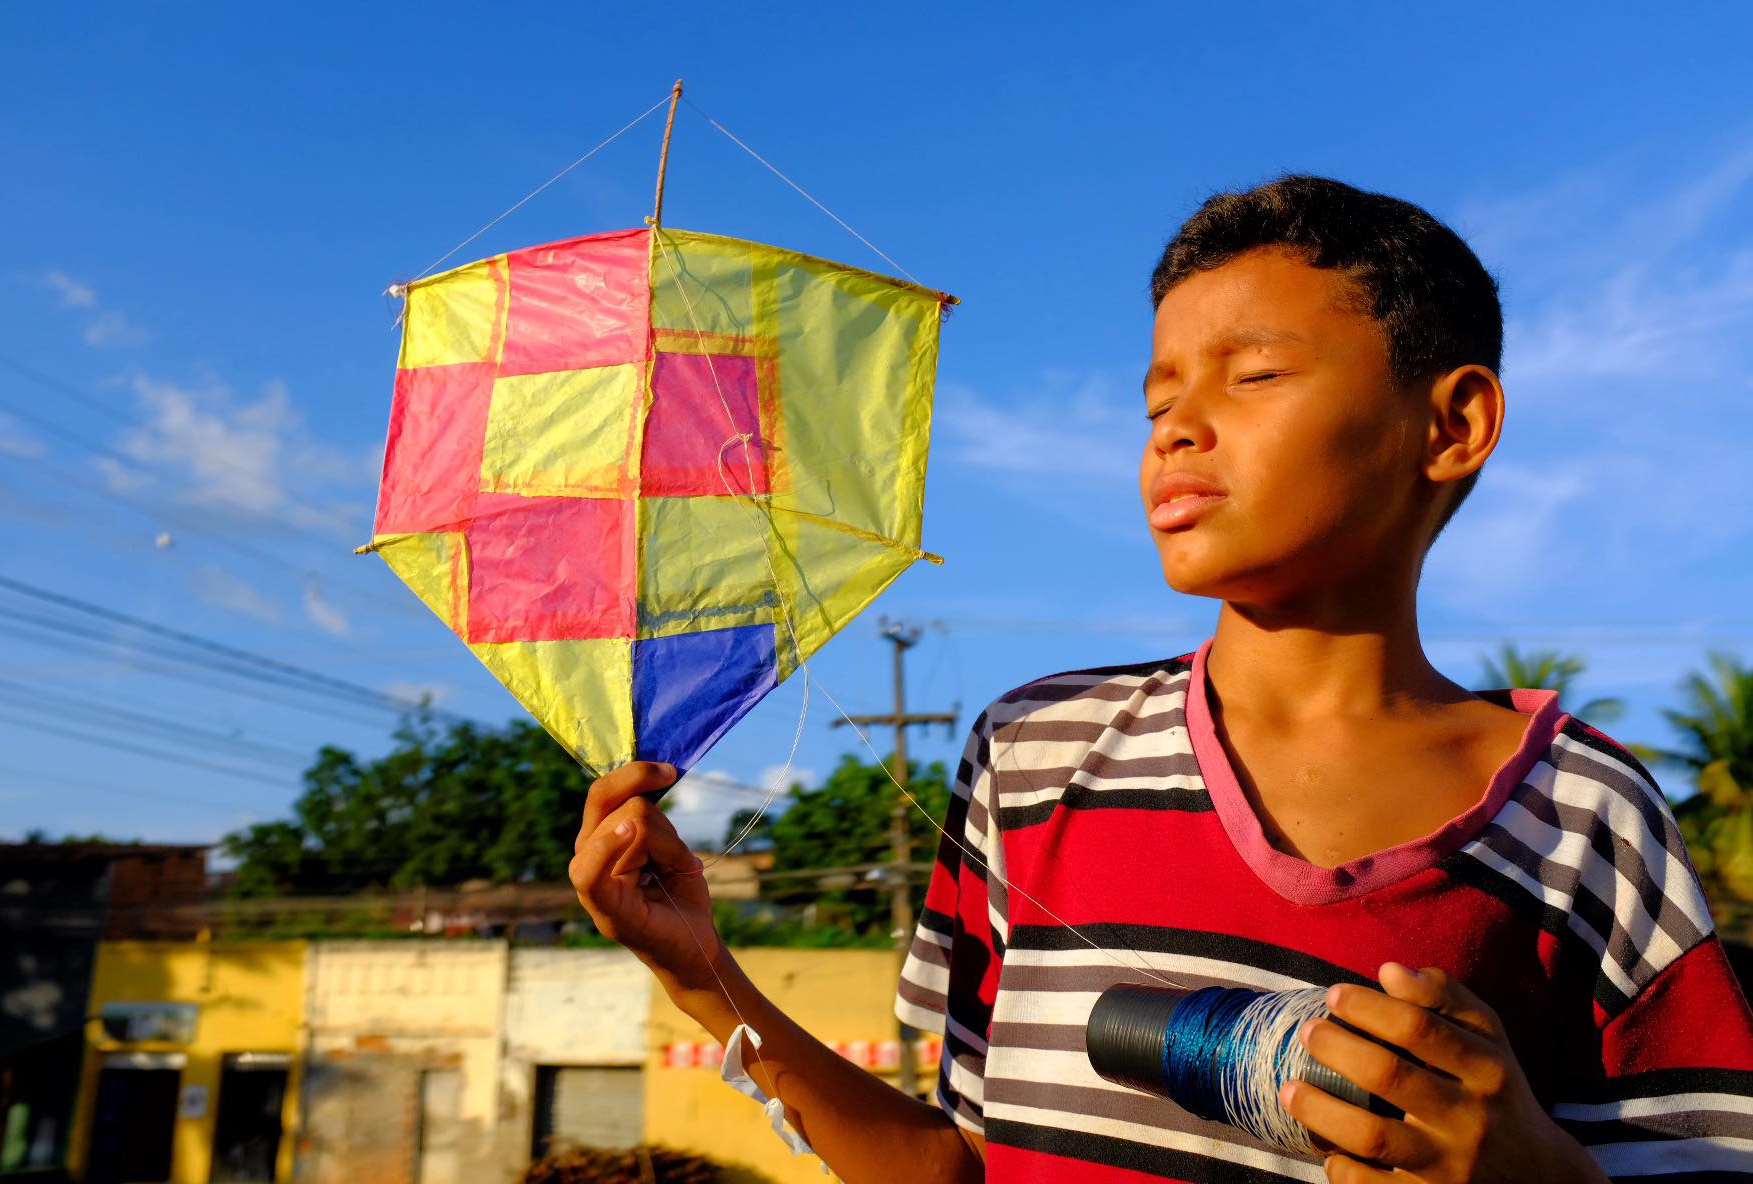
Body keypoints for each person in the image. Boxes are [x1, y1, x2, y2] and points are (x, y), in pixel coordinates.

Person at [571, 175, 1753, 1182]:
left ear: (1452, 422)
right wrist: (705, 974)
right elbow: (953, 1162)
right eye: (1157, 396)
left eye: (1253, 376)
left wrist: (1532, 1169)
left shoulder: (1583, 811)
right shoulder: (1032, 755)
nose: (1177, 427)